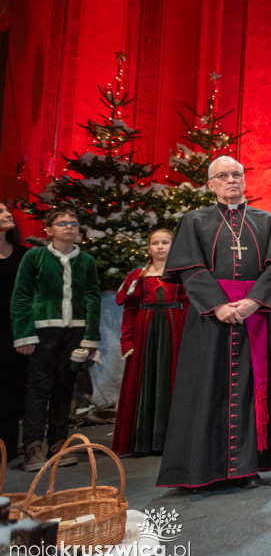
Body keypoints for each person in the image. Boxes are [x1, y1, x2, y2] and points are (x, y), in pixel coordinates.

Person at [156, 156, 271, 490]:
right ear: (211, 183)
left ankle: (246, 468)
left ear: (245, 180)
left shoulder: (265, 221)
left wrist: (251, 302)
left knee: (249, 389)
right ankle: (203, 470)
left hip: (253, 316)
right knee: (206, 388)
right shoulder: (195, 221)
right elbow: (190, 268)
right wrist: (218, 306)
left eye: (237, 174)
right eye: (223, 175)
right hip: (210, 318)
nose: (231, 180)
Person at [11, 207, 101, 472]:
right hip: (42, 332)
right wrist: (23, 334)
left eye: (74, 223)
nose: (69, 227)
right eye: (62, 223)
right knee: (38, 387)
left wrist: (90, 337)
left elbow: (92, 298)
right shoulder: (34, 257)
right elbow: (21, 296)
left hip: (74, 332)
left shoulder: (85, 261)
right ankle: (33, 445)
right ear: (48, 230)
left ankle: (59, 442)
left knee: (65, 386)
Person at [112, 229, 187, 456]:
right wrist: (127, 342)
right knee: (146, 380)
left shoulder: (181, 275)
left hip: (174, 330)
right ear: (148, 247)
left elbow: (191, 306)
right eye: (155, 243)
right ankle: (143, 440)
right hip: (146, 334)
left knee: (172, 379)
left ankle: (171, 440)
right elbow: (130, 310)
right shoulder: (138, 277)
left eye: (165, 242)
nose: (160, 247)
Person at [0, 201, 28, 458]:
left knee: (12, 387)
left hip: (16, 328)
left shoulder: (24, 254)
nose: (8, 214)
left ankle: (8, 447)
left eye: (6, 211)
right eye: (0, 212)